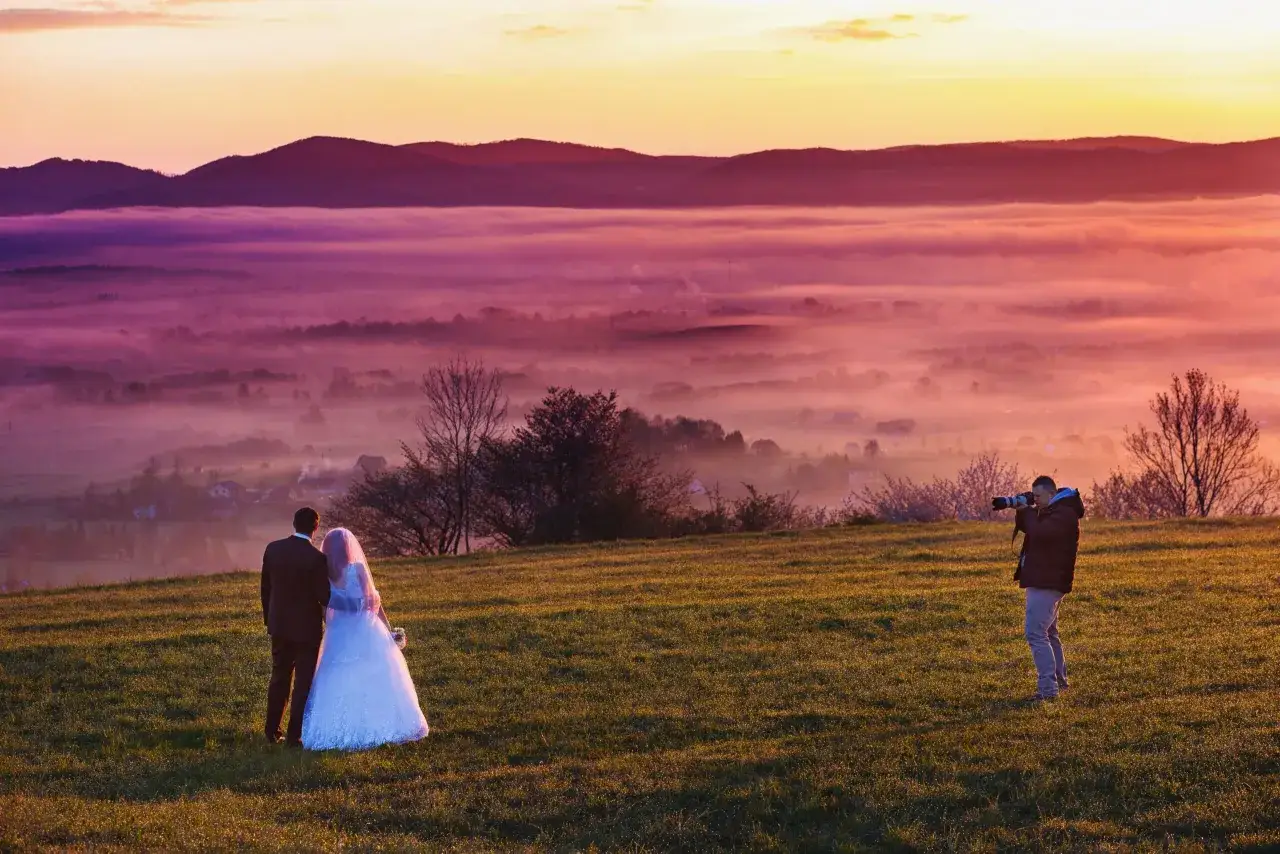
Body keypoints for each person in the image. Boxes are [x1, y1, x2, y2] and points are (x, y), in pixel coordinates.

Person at [301, 527, 429, 751]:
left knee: (337, 675)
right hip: (364, 628)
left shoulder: (323, 575)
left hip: (338, 632)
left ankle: (335, 727)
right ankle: (379, 722)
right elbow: (374, 603)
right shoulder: (357, 568)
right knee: (374, 674)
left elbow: (324, 610)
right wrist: (387, 629)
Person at [1008, 476, 1086, 701]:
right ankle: (1059, 683)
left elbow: (1040, 532)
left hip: (1047, 582)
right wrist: (1023, 508)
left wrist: (1026, 510)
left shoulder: (1064, 515)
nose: (1036, 500)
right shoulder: (1057, 510)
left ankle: (1048, 690)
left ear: (1052, 495)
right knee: (1049, 633)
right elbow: (1030, 527)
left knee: (1036, 633)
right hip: (1046, 579)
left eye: (1038, 496)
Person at [261, 507, 331, 746]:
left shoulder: (273, 549)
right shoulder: (316, 558)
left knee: (279, 677)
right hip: (307, 630)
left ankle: (271, 731)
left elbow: (266, 589)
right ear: (315, 528)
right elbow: (325, 596)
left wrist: (270, 620)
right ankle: (294, 735)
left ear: (293, 523)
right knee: (303, 683)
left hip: (279, 626)